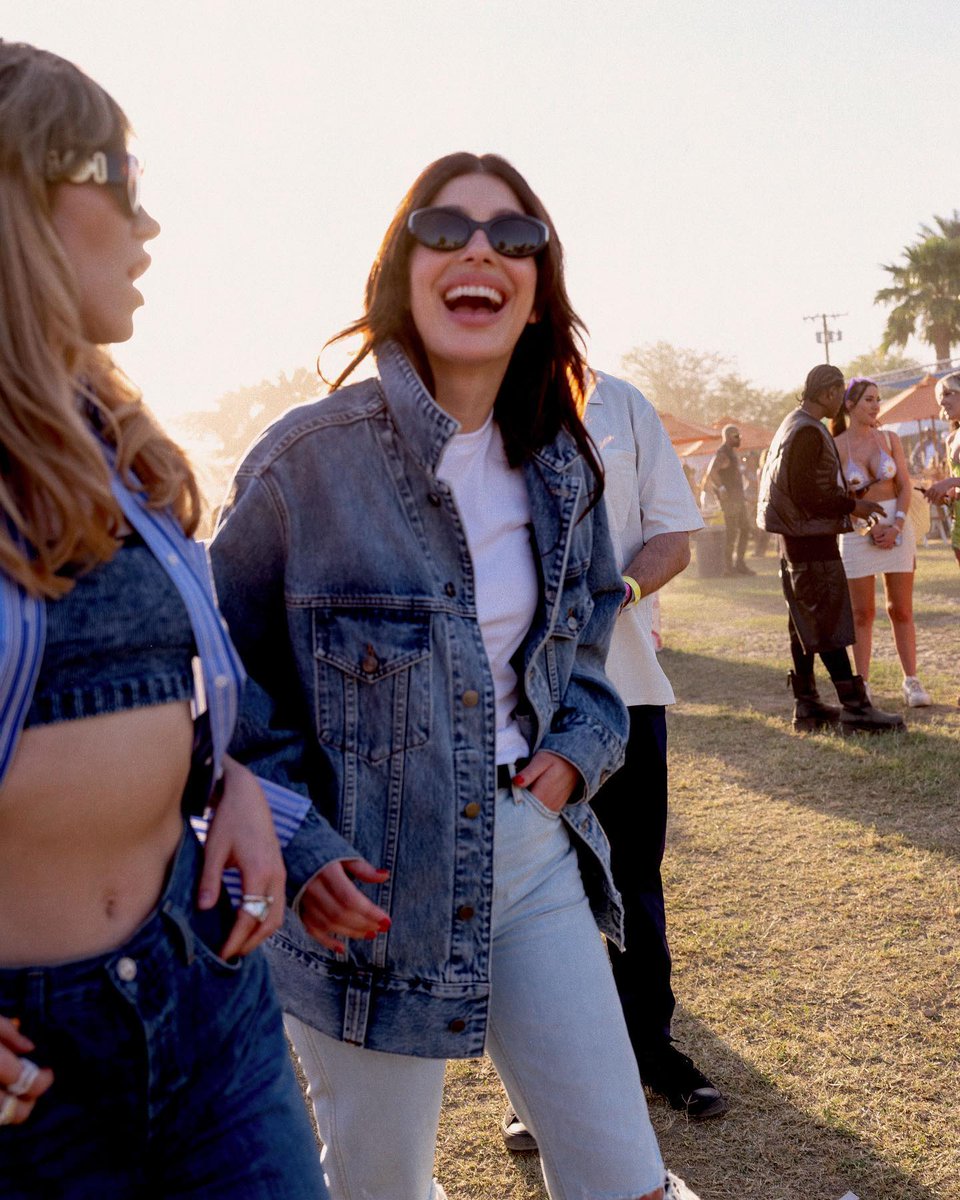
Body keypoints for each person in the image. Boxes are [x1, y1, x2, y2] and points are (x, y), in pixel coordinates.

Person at [212, 153, 680, 1200]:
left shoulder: (563, 460)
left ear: (536, 292)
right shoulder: (304, 463)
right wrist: (300, 839)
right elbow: (228, 681)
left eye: (515, 237)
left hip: (532, 855)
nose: (481, 249)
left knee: (626, 1178)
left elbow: (593, 624)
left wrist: (576, 750)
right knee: (380, 1188)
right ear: (400, 267)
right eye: (447, 227)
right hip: (366, 892)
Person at [0, 42, 340, 1198]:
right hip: (24, 1076)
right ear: (21, 183)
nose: (150, 228)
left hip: (204, 994)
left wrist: (227, 783)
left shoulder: (120, 445)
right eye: (122, 178)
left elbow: (171, 686)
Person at [500, 371, 725, 1157]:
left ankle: (652, 1049)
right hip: (519, 703)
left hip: (625, 686)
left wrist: (620, 590)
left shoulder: (621, 404)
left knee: (635, 879)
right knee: (532, 892)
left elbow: (672, 536)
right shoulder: (481, 399)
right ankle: (535, 1088)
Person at [757, 364, 904, 733]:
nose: (841, 402)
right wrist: (853, 505)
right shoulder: (808, 430)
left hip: (795, 540)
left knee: (803, 623)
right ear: (827, 392)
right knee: (826, 620)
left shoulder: (792, 422)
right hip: (810, 540)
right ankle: (855, 707)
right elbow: (810, 493)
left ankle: (807, 705)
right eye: (839, 393)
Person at [830, 378, 930, 707]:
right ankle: (863, 684)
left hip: (897, 523)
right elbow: (838, 496)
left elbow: (904, 485)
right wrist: (867, 526)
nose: (875, 405)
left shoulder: (889, 438)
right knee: (862, 613)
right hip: (857, 529)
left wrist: (897, 525)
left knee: (900, 609)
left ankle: (911, 681)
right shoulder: (836, 444)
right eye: (868, 400)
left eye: (877, 399)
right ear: (849, 405)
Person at [705, 423, 754, 575]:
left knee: (745, 529)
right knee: (732, 533)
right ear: (727, 437)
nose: (739, 438)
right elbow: (712, 471)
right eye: (736, 436)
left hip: (737, 499)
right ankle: (728, 567)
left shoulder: (731, 452)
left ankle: (739, 564)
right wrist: (721, 488)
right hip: (730, 501)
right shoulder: (723, 453)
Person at [925, 373, 960, 566]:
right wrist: (945, 496)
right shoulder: (951, 439)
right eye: (940, 396)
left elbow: (954, 481)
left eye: (948, 393)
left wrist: (950, 482)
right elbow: (955, 487)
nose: (942, 401)